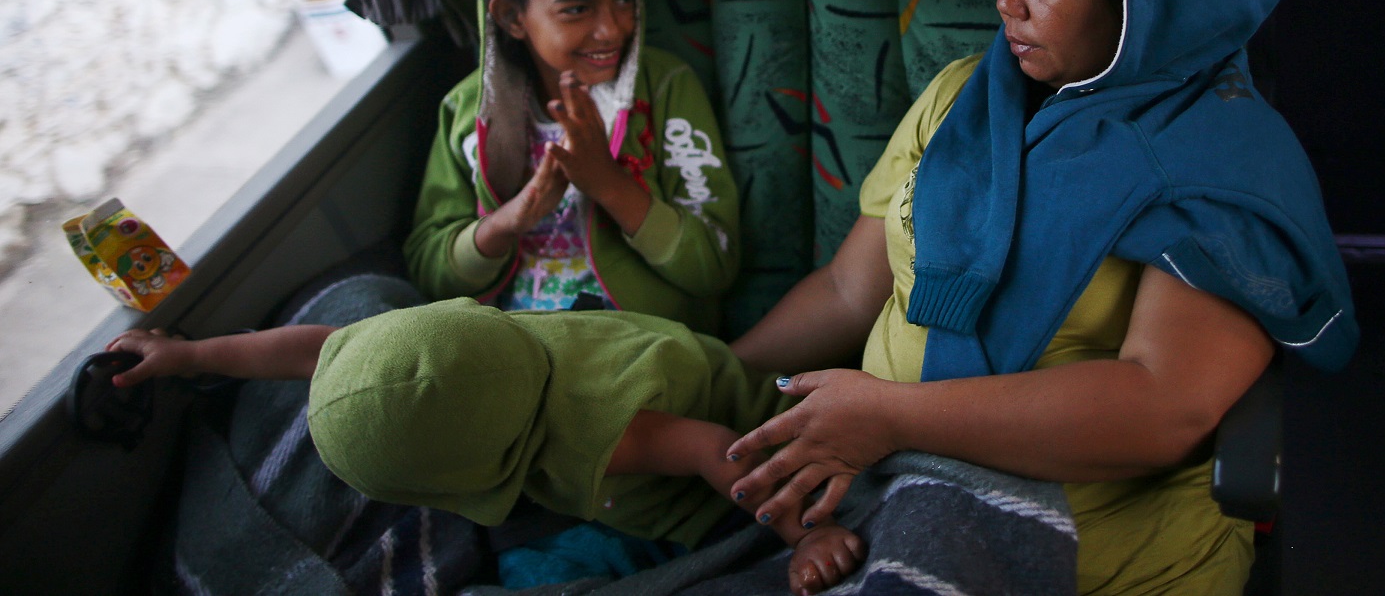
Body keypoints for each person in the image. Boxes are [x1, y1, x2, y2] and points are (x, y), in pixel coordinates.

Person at [721, 0, 1360, 594]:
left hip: (1089, 551)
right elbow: (847, 290)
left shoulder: (1223, 162)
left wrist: (889, 417)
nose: (1006, 2)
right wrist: (724, 376)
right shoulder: (965, 96)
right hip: (879, 494)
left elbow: (1163, 404)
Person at [106, 300, 866, 596]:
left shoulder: (605, 439)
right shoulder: (465, 346)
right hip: (656, 366)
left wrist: (809, 533)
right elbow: (316, 347)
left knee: (528, 573)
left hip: (693, 484)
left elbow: (714, 451)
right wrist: (193, 355)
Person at [403, 0, 739, 332]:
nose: (612, 29)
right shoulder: (468, 113)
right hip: (514, 344)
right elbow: (429, 271)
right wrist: (509, 220)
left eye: (624, 0)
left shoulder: (664, 91)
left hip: (638, 344)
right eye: (577, 10)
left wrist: (609, 183)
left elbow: (714, 263)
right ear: (512, 18)